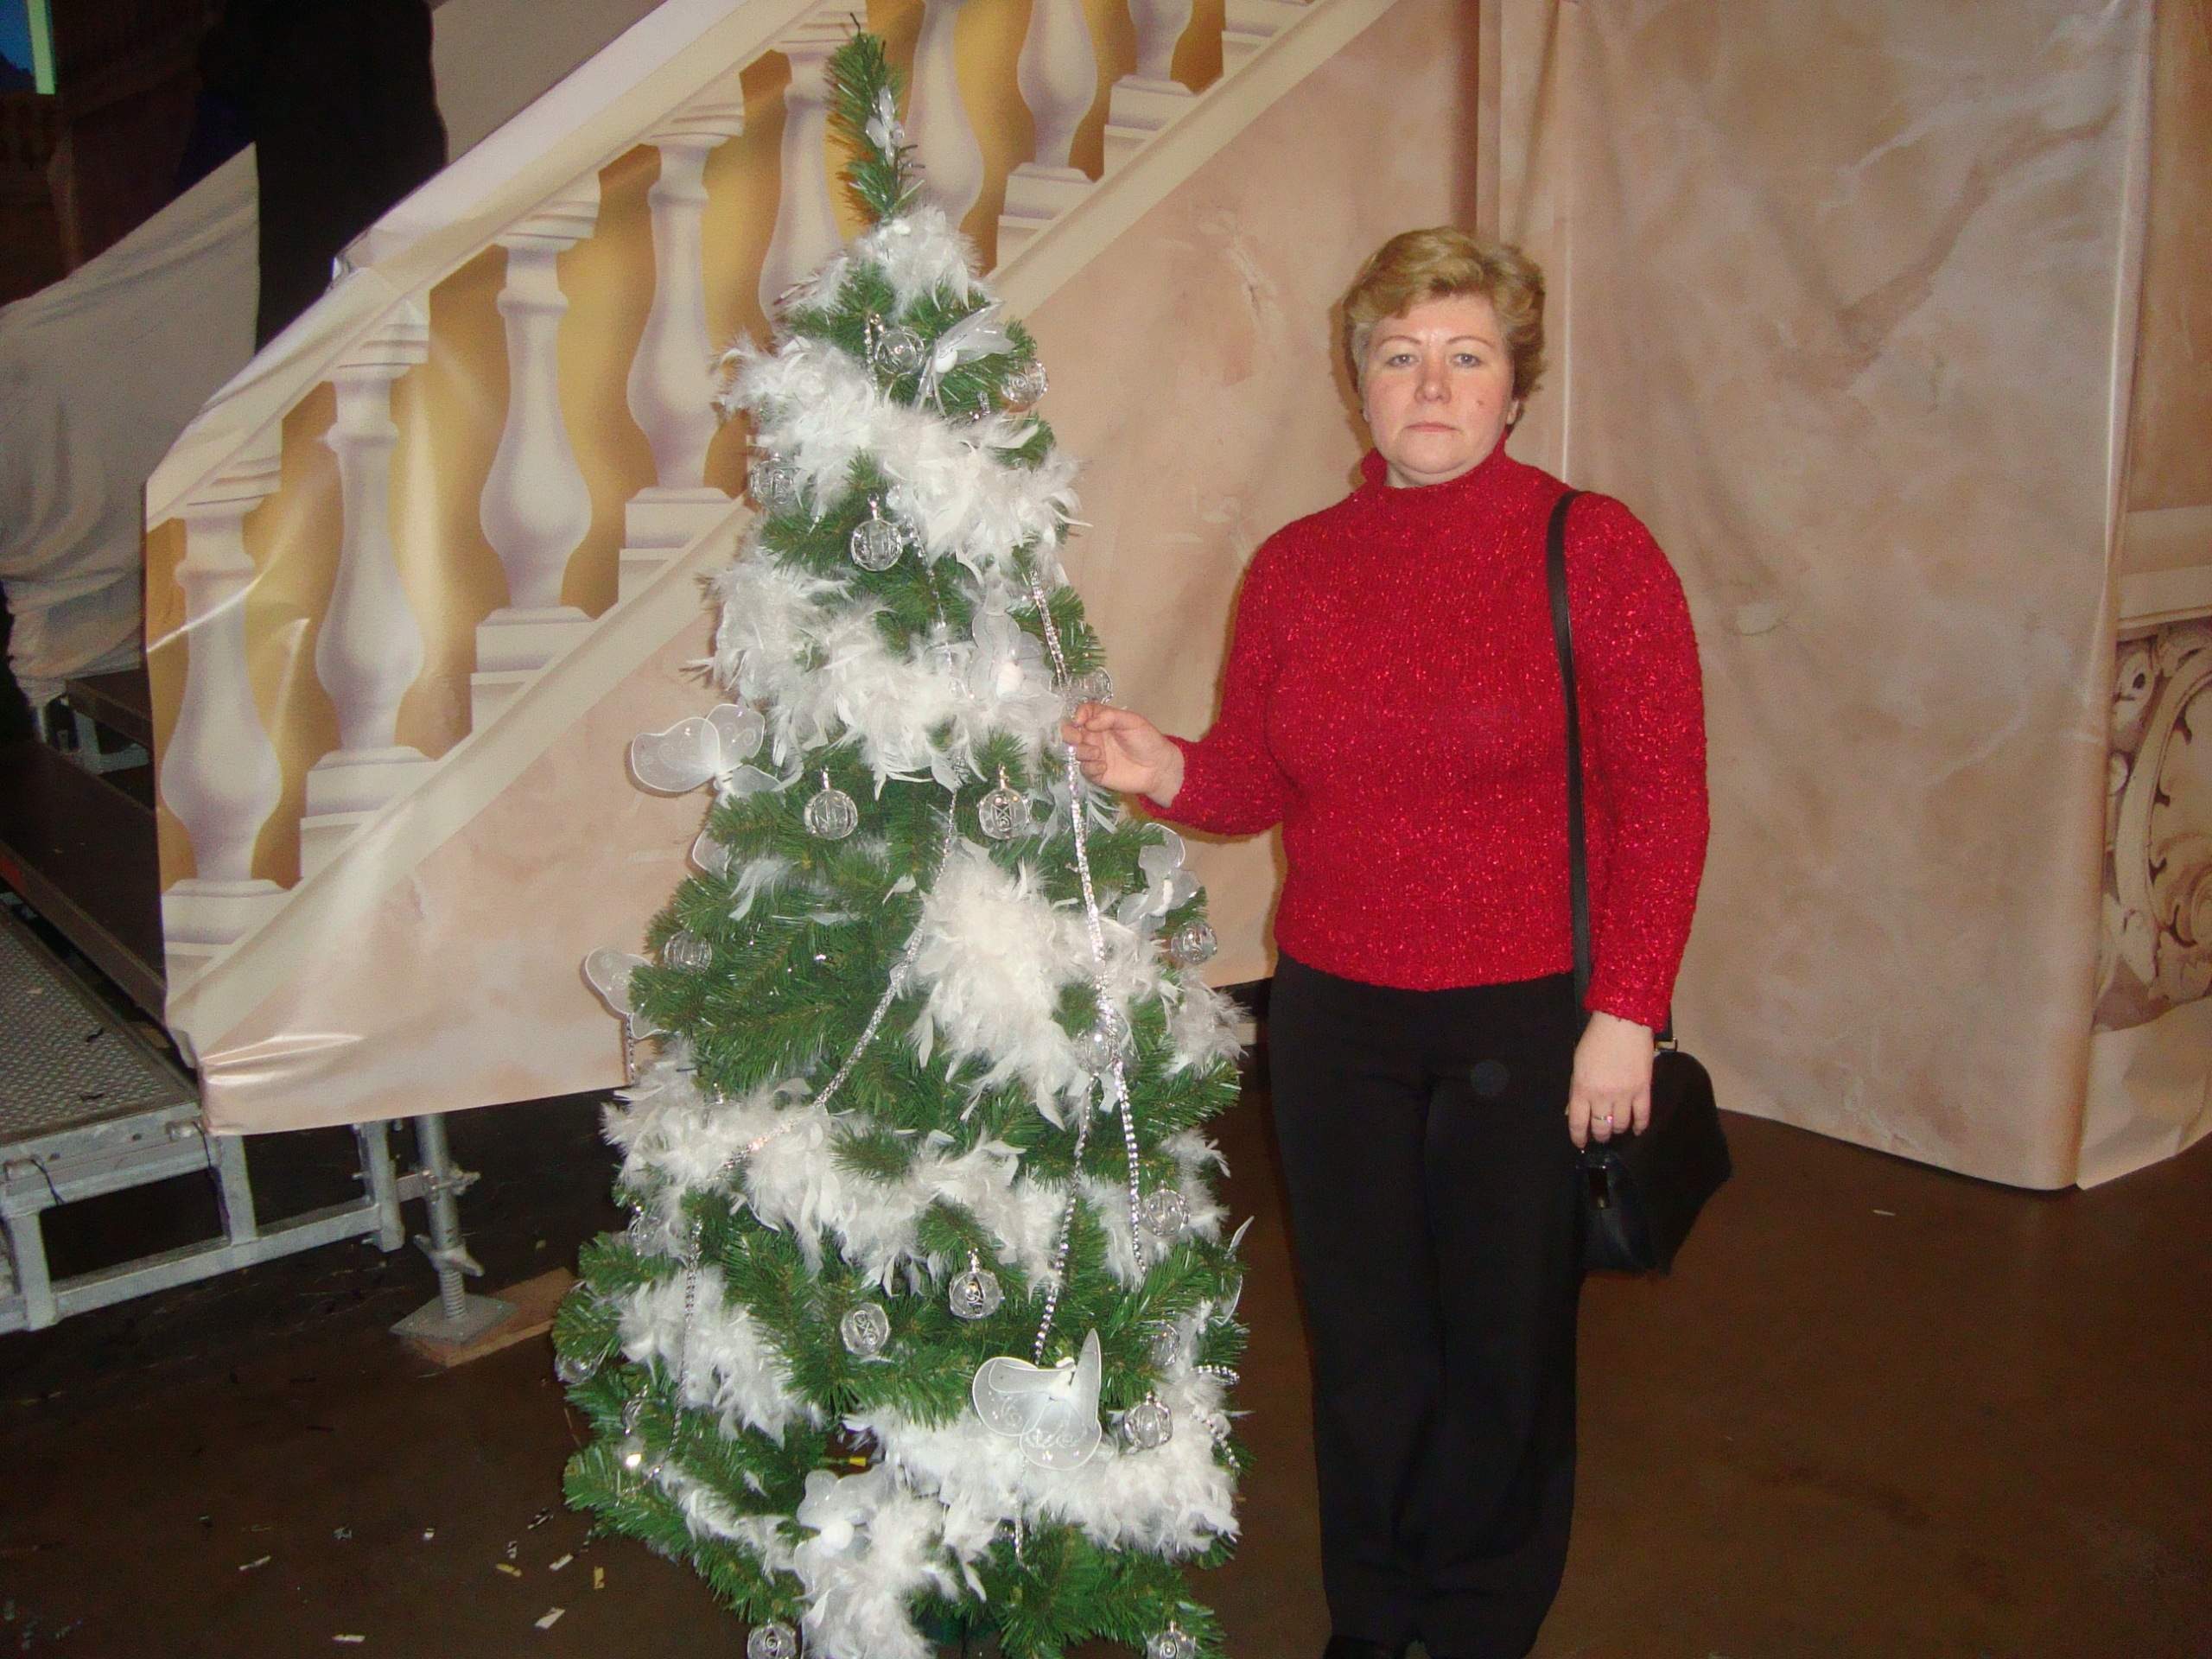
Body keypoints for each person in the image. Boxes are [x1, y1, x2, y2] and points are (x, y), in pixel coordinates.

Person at [1063, 228, 1708, 1659]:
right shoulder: (1299, 568)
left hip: (1525, 1014)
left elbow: (1663, 796)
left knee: (1501, 1344)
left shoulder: (1593, 549)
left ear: (1514, 387)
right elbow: (1258, 779)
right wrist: (1162, 768)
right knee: (1362, 1342)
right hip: (1336, 1016)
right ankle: (1374, 1613)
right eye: (1400, 355)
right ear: (1358, 383)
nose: (1432, 384)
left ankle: (1477, 1619)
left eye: (1466, 356)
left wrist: (1627, 1010)